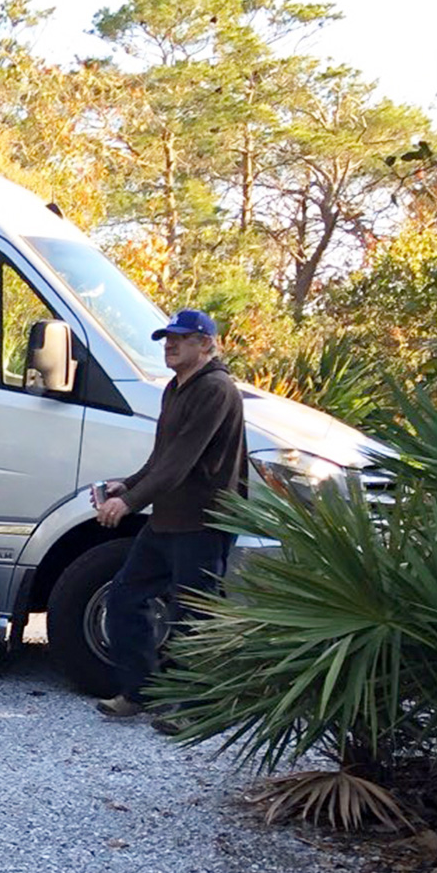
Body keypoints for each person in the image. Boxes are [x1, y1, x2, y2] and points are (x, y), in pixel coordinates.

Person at [91, 308, 248, 722]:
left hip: (203, 523)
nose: (170, 345)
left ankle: (195, 710)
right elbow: (162, 458)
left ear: (206, 344)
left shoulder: (215, 389)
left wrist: (128, 504)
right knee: (125, 597)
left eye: (181, 338)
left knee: (192, 616)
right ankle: (140, 693)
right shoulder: (175, 388)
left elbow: (181, 463)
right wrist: (128, 483)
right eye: (167, 338)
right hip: (167, 520)